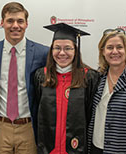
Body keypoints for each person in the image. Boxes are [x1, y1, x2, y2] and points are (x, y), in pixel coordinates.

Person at [0, 2, 49, 154]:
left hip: (29, 128)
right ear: (2, 23)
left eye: (20, 21)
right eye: (10, 21)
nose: (15, 25)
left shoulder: (43, 53)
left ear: (27, 24)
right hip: (0, 126)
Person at [34, 23, 99, 154]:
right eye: (57, 48)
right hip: (48, 149)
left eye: (68, 48)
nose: (62, 53)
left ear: (75, 50)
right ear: (51, 50)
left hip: (76, 148)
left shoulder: (88, 77)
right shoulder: (42, 76)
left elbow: (90, 114)